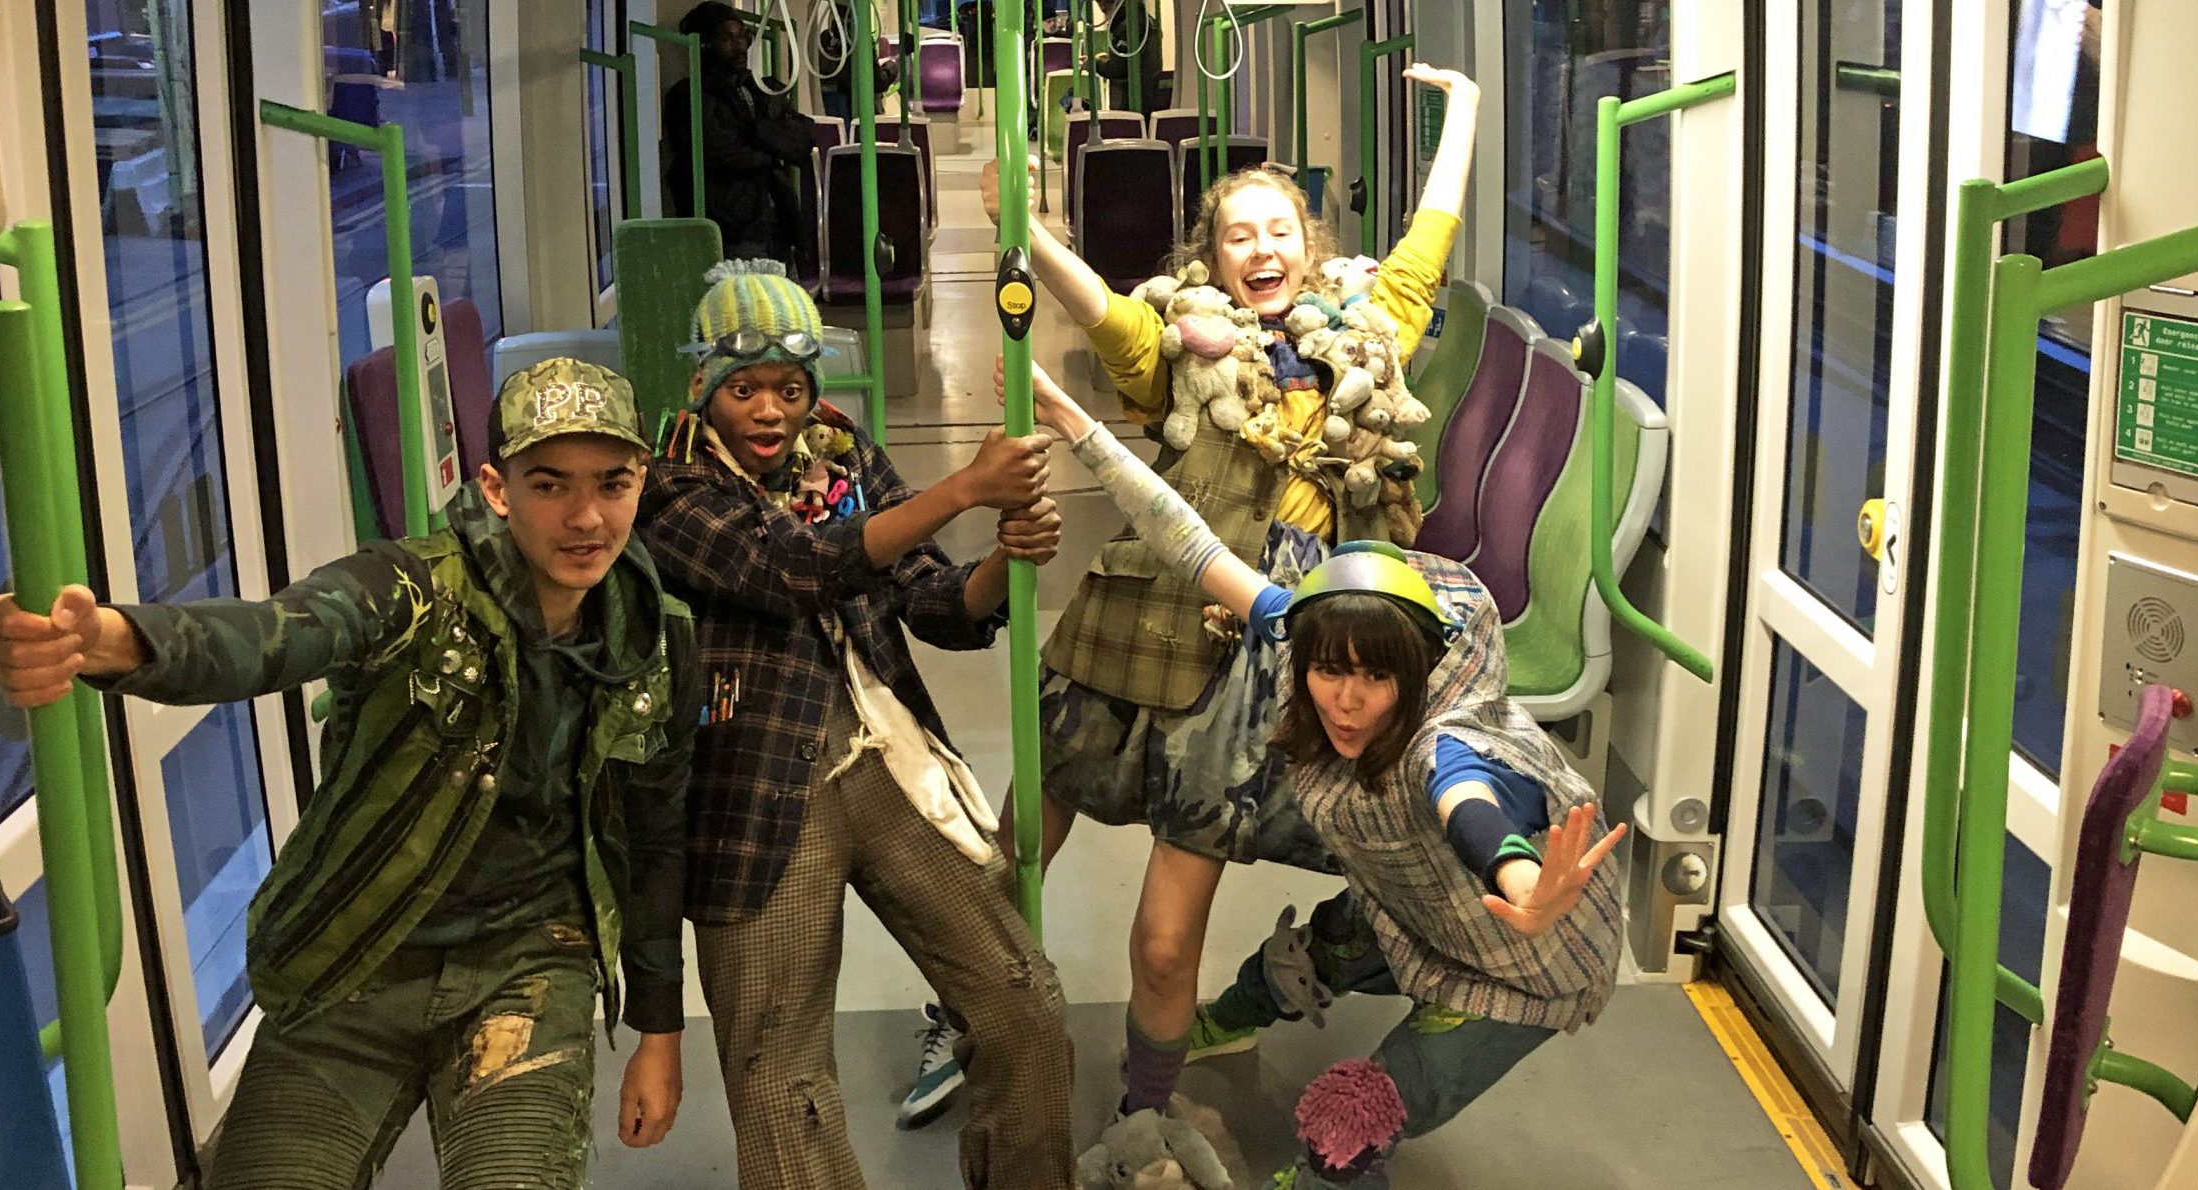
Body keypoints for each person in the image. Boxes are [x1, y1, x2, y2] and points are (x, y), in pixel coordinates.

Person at [905, 63, 1485, 1127]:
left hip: (1276, 647)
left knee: (1167, 931)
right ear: (1209, 257)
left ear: (1306, 246)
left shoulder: (1372, 332)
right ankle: (961, 1003)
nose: (1259, 252)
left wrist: (1468, 111)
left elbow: (1428, 237)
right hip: (1146, 614)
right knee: (1019, 838)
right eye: (1236, 237)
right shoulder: (1178, 347)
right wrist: (1019, 224)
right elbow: (1098, 306)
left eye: (1277, 233)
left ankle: (1147, 1106)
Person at [0, 360, 695, 1188]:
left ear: (642, 481)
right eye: (550, 485)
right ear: (497, 490)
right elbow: (281, 633)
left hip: (531, 964)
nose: (586, 517)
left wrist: (659, 1030)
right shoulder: (414, 590)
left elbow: (656, 841)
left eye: (613, 484)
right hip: (356, 954)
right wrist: (118, 641)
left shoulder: (655, 640)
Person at [1020, 360, 1626, 1188]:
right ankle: (1226, 1024)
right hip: (1412, 904)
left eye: (1375, 680)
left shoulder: (1439, 744)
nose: (1347, 701)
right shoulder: (1301, 634)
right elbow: (1183, 535)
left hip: (1517, 965)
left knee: (1349, 1128)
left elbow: (1473, 805)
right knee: (1318, 953)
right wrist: (1075, 424)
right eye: (1329, 672)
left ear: (1409, 674)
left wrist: (1521, 882)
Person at [636, 261, 1076, 1188]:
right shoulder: (666, 484)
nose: (768, 411)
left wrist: (1002, 559)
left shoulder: (843, 457)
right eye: (743, 388)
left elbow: (932, 601)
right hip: (754, 794)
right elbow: (790, 568)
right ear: (704, 388)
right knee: (780, 1075)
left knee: (1022, 1005)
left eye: (790, 389)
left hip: (887, 761)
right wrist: (962, 489)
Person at [664, 1, 815, 268]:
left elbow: (804, 139)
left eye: (743, 36)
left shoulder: (756, 88)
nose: (741, 46)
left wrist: (756, 134)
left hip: (775, 220)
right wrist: (773, 145)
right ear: (705, 45)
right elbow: (723, 155)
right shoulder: (689, 98)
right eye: (728, 39)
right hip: (732, 229)